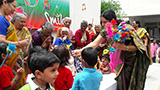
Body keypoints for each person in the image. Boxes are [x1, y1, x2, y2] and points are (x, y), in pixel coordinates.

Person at [72, 10, 151, 90]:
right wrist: (80, 50)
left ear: (113, 20)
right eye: (102, 22)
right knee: (121, 84)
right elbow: (94, 44)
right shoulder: (105, 32)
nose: (102, 24)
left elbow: (140, 47)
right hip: (119, 63)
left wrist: (124, 47)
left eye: (105, 22)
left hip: (131, 63)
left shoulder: (126, 29)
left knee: (131, 85)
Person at [0, 0, 29, 70]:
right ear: (5, 2)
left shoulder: (4, 19)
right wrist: (19, 44)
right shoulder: (1, 19)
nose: (14, 10)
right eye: (14, 6)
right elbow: (1, 40)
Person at [11, 12, 32, 90]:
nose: (23, 24)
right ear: (14, 21)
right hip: (10, 59)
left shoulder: (25, 31)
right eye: (21, 21)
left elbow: (30, 46)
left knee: (21, 80)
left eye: (24, 22)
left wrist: (28, 56)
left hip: (23, 61)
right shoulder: (9, 30)